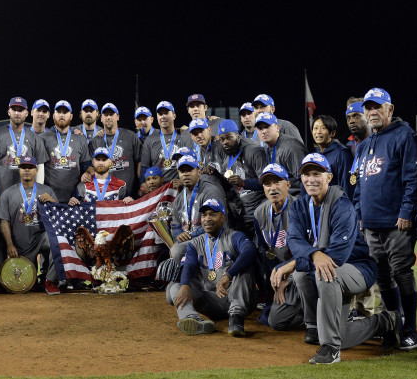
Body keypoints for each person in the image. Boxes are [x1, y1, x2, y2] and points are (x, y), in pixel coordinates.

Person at [274, 153, 402, 364]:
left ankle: (331, 349)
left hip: (357, 268)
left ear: (329, 177)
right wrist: (312, 255)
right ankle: (386, 321)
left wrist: (302, 258)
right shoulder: (298, 206)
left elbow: (338, 254)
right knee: (340, 332)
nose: (311, 179)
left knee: (324, 272)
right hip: (328, 268)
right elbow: (295, 242)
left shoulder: (342, 206)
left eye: (317, 173)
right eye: (306, 174)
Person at [353, 87, 417, 350]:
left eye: (377, 107)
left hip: (396, 223)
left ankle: (411, 330)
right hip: (371, 223)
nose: (372, 112)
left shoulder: (404, 136)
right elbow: (359, 185)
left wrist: (406, 212)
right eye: (368, 108)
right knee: (382, 278)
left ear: (389, 109)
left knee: (402, 273)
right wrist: (360, 214)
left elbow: (412, 179)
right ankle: (394, 327)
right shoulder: (367, 142)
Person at [166, 198, 257, 336]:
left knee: (245, 269)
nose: (207, 218)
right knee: (174, 287)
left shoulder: (234, 236)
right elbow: (189, 266)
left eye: (213, 214)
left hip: (236, 296)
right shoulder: (195, 243)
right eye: (204, 215)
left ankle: (236, 319)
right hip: (212, 300)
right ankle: (192, 321)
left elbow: (250, 250)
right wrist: (185, 285)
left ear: (223, 218)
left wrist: (229, 274)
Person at [0, 156, 60, 294]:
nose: (27, 170)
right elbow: (4, 221)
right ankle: (35, 283)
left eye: (30, 167)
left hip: (41, 237)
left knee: (56, 242)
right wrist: (9, 244)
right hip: (21, 243)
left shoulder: (46, 190)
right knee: (23, 287)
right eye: (23, 167)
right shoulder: (8, 194)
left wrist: (53, 202)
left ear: (36, 170)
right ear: (19, 170)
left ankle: (50, 281)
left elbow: (57, 217)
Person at [252, 164, 303, 331]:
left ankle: (317, 314)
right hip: (281, 272)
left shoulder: (301, 209)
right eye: (267, 184)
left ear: (288, 184)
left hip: (304, 271)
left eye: (277, 182)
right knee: (272, 320)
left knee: (273, 319)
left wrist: (287, 278)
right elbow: (267, 253)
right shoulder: (259, 213)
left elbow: (310, 253)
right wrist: (272, 287)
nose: (272, 188)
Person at [344, 99, 382, 319]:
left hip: (374, 215)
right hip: (355, 214)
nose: (352, 121)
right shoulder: (353, 147)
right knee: (357, 260)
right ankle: (359, 309)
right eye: (348, 117)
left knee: (378, 264)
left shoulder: (377, 144)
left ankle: (378, 314)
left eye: (357, 115)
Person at [0, 97, 48, 209]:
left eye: (21, 110)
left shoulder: (35, 138)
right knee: (0, 225)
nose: (17, 113)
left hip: (27, 195)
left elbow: (40, 166)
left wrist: (37, 191)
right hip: (1, 194)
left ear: (27, 113)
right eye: (14, 109)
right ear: (9, 111)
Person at [214, 119, 267, 237]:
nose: (225, 142)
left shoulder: (254, 151)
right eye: (222, 139)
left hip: (262, 206)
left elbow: (267, 182)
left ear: (238, 136)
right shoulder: (227, 161)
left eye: (229, 138)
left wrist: (244, 183)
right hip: (244, 212)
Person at [169, 155, 225, 262]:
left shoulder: (210, 191)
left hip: (211, 237)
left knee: (177, 250)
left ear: (199, 172)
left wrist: (188, 236)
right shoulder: (179, 198)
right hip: (191, 239)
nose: (186, 174)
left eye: (190, 170)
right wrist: (180, 236)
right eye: (182, 171)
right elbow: (175, 225)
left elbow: (214, 223)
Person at [40, 100, 92, 203]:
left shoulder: (80, 138)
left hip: (74, 198)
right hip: (49, 197)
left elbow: (87, 165)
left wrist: (87, 173)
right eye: (59, 112)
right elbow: (38, 169)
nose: (62, 115)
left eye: (65, 112)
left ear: (71, 116)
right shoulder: (43, 138)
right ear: (53, 115)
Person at [88, 103, 141, 193]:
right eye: (105, 115)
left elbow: (140, 161)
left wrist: (141, 184)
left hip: (128, 193)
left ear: (118, 117)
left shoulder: (131, 136)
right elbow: (89, 166)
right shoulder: (95, 141)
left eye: (111, 114)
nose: (108, 117)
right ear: (101, 118)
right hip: (103, 193)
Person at [255, 112, 307, 196]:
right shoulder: (266, 147)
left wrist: (302, 205)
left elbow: (306, 179)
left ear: (277, 127)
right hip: (279, 196)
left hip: (296, 197)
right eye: (260, 128)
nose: (263, 131)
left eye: (267, 127)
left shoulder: (291, 147)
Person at [140, 101, 187, 184]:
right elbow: (145, 167)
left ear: (174, 115)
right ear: (157, 118)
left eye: (166, 113)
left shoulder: (184, 135)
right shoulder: (150, 140)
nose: (163, 116)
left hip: (179, 187)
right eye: (160, 114)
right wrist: (143, 184)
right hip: (158, 190)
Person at [311, 115, 354, 199]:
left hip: (337, 206)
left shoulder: (342, 153)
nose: (318, 132)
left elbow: (347, 186)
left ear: (332, 133)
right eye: (315, 128)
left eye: (323, 128)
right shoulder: (315, 155)